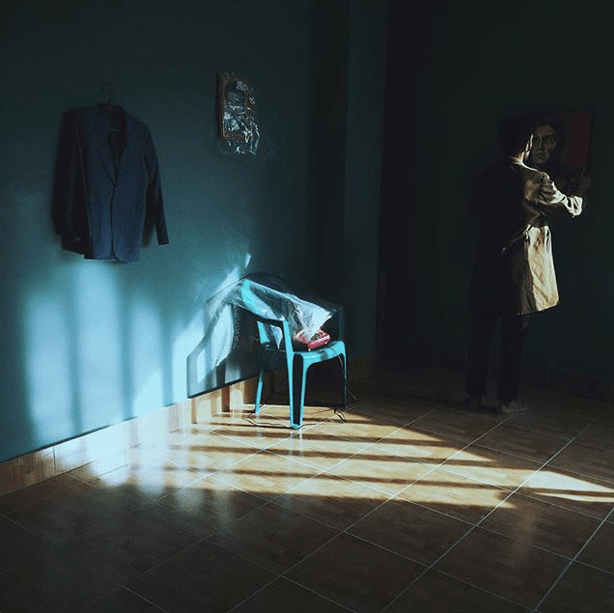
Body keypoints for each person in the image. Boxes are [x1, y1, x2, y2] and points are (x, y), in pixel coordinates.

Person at [465, 115, 583, 414]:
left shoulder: (484, 176)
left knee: (480, 334)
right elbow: (567, 210)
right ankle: (506, 401)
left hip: (486, 264)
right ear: (528, 144)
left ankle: (474, 396)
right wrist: (581, 193)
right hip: (518, 271)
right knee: (514, 339)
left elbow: (474, 208)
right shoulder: (536, 179)